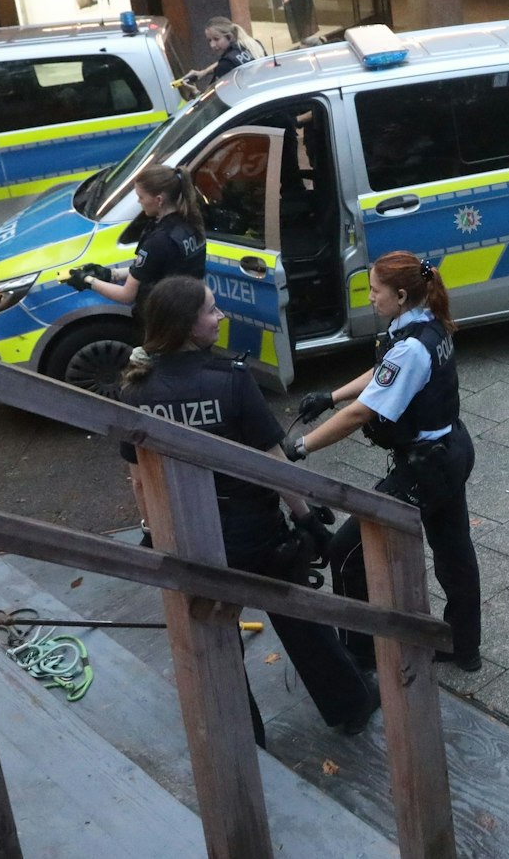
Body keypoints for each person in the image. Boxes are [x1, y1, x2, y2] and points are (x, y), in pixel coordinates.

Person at [118, 277, 379, 743]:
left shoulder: (137, 392)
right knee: (300, 619)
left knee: (216, 637)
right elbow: (273, 465)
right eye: (211, 311)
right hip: (255, 536)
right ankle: (350, 705)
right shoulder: (231, 381)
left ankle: (242, 734)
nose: (220, 316)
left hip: (188, 539)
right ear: (186, 325)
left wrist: (151, 529)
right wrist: (304, 518)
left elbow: (139, 475)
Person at [289, 251, 482, 671]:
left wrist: (301, 447)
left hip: (426, 468)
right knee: (454, 553)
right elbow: (383, 373)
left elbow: (364, 412)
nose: (369, 299)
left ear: (399, 294)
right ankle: (465, 647)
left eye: (374, 291)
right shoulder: (427, 319)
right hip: (451, 447)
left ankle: (359, 654)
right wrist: (331, 395)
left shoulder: (411, 346)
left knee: (345, 552)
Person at [67, 164, 207, 312]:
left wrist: (88, 281)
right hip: (189, 313)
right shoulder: (191, 224)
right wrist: (112, 274)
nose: (139, 202)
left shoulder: (159, 240)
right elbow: (157, 268)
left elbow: (126, 295)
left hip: (165, 321)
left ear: (159, 200)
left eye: (141, 197)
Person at [179, 17, 264, 93]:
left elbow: (211, 102)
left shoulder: (226, 64)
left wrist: (195, 92)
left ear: (229, 37)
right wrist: (203, 73)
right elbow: (230, 60)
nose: (212, 45)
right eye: (209, 40)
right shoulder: (254, 46)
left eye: (216, 39)